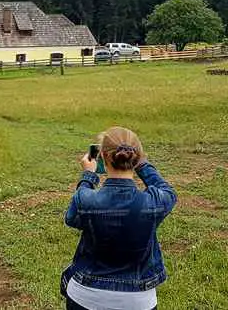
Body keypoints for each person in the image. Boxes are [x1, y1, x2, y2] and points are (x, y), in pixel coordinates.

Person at [62, 126, 177, 310]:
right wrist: (142, 165)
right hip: (138, 300)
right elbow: (168, 192)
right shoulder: (154, 201)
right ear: (136, 157)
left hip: (86, 295)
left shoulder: (86, 198)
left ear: (103, 157)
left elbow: (71, 218)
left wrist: (88, 176)